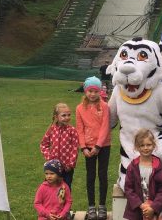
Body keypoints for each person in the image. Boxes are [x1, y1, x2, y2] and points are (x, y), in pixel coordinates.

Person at [76, 76, 111, 220]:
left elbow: (105, 127)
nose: (92, 94)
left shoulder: (104, 106)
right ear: (85, 91)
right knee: (90, 176)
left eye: (95, 91)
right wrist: (83, 147)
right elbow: (80, 129)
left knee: (102, 175)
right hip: (88, 149)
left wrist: (98, 146)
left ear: (99, 92)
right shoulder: (79, 108)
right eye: (90, 91)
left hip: (103, 146)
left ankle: (102, 206)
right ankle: (91, 206)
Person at [124, 128, 162, 220]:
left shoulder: (158, 166)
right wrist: (140, 205)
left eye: (148, 145)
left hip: (155, 210)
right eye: (142, 145)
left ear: (154, 145)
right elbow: (128, 188)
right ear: (137, 147)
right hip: (137, 210)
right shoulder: (132, 167)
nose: (145, 148)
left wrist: (153, 207)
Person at [40, 103, 79, 189]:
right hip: (53, 168)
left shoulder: (72, 131)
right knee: (51, 189)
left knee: (65, 189)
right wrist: (49, 157)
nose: (67, 118)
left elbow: (75, 148)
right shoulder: (52, 129)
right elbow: (43, 144)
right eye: (63, 115)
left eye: (69, 115)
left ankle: (65, 203)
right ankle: (52, 203)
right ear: (56, 117)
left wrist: (71, 164)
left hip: (66, 168)